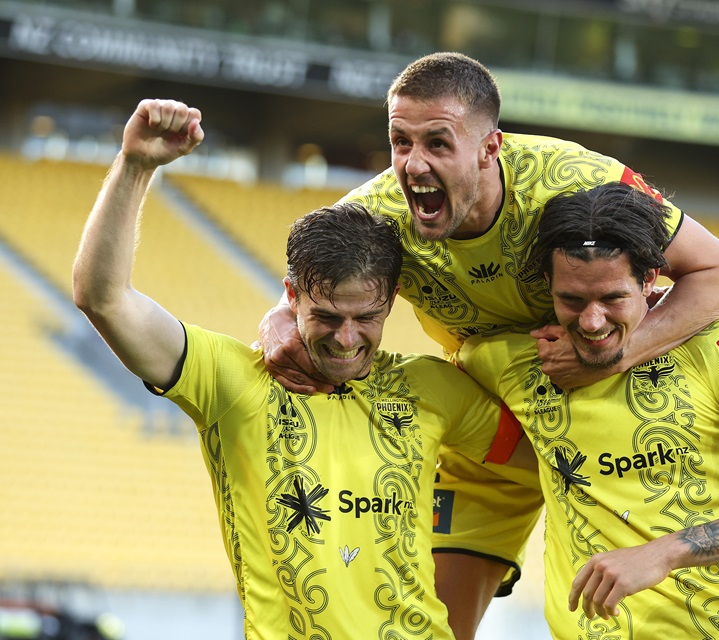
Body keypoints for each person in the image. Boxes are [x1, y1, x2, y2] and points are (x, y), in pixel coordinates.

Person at [255, 51, 719, 635]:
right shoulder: (377, 216)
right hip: (491, 413)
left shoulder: (575, 182)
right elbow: (296, 295)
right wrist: (275, 323)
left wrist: (611, 355)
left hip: (605, 405)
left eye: (438, 144)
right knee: (436, 627)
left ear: (490, 147)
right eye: (399, 142)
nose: (413, 164)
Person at [71, 99, 524, 639]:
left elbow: (543, 456)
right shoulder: (229, 381)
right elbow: (104, 299)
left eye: (367, 318)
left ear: (393, 298)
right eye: (328, 317)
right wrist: (135, 165)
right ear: (291, 295)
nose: (348, 337)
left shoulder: (432, 388)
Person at [449, 182, 719, 638]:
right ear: (548, 285)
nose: (592, 321)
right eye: (572, 300)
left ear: (649, 279)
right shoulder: (510, 363)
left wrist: (662, 553)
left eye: (612, 299)